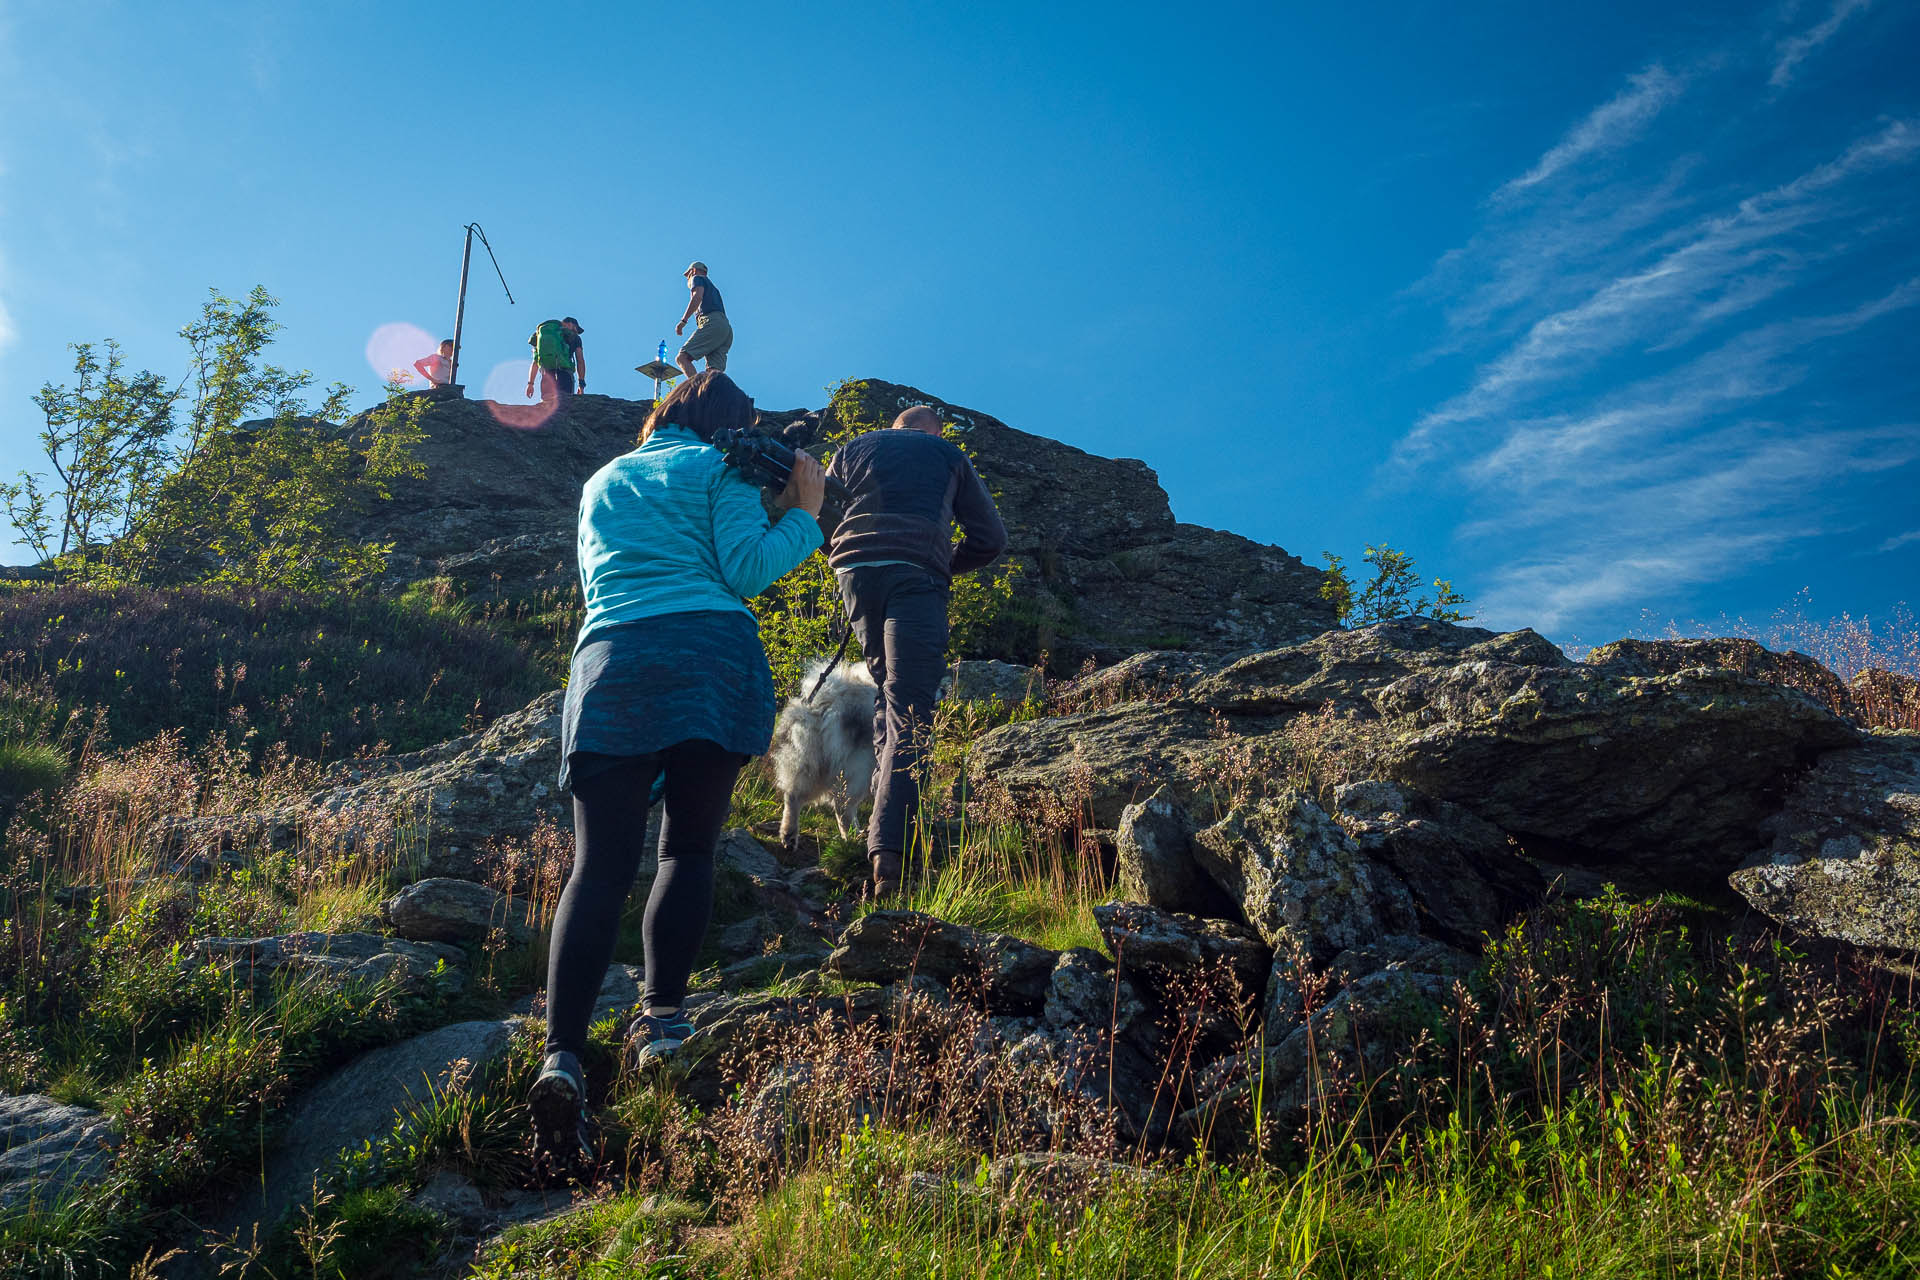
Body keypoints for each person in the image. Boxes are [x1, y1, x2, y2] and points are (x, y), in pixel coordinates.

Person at [527, 370, 826, 1166]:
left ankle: (561, 1056)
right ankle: (661, 1021)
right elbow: (744, 568)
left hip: (611, 662)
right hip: (707, 657)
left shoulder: (601, 479)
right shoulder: (720, 467)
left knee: (598, 866)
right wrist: (806, 514)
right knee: (687, 851)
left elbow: (602, 583)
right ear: (730, 426)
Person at [825, 404, 1006, 896]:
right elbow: (991, 538)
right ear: (934, 430)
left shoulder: (851, 450)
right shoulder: (947, 454)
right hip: (917, 575)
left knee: (888, 693)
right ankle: (890, 855)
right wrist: (946, 563)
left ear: (895, 425)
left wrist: (847, 556)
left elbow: (821, 512)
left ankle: (881, 829)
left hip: (856, 575)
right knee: (911, 703)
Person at [673, 261, 732, 378]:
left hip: (712, 323)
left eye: (688, 275)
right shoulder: (713, 288)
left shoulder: (697, 278)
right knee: (714, 373)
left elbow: (697, 297)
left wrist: (683, 321)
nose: (687, 279)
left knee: (682, 358)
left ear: (693, 271)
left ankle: (695, 391)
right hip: (725, 329)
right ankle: (713, 394)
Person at [525, 316, 587, 403]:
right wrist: (581, 384)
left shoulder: (540, 336)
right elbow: (580, 361)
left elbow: (535, 361)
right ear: (570, 324)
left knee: (547, 404)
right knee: (565, 403)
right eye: (576, 329)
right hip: (565, 374)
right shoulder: (574, 337)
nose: (576, 332)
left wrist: (530, 383)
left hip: (546, 375)